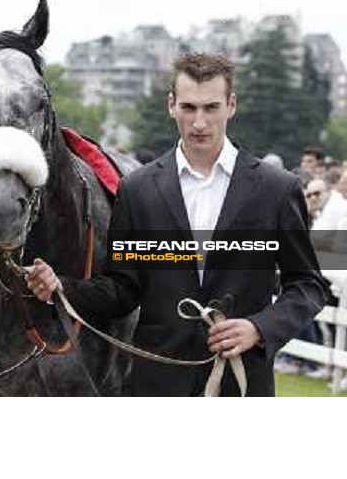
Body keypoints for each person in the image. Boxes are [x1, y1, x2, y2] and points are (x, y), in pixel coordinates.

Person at [26, 52, 328, 397]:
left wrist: (259, 328)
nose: (199, 122)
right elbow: (123, 289)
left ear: (231, 105)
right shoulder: (136, 189)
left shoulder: (278, 188)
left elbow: (306, 285)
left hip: (242, 381)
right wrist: (62, 287)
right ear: (172, 105)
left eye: (211, 107)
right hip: (156, 382)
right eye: (189, 107)